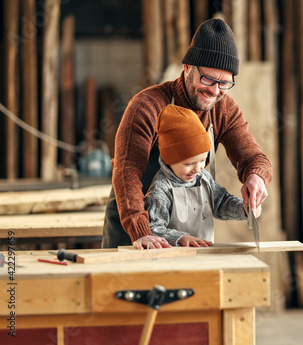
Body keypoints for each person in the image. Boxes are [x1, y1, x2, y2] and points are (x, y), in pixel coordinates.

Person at [102, 18, 272, 249]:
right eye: (208, 79)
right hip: (134, 228)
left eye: (224, 83)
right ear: (187, 68)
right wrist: (141, 231)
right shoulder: (146, 106)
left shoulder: (224, 109)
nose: (215, 91)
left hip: (189, 239)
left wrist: (256, 177)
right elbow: (127, 171)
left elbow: (254, 158)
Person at [141, 104, 260, 249]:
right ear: (169, 159)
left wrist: (244, 209)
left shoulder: (203, 177)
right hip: (172, 261)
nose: (197, 169)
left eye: (203, 160)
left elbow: (221, 203)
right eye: (189, 163)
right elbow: (153, 228)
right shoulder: (161, 189)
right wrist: (181, 238)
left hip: (204, 256)